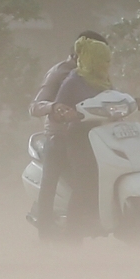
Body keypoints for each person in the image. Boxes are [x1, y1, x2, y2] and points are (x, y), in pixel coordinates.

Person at [28, 30, 106, 240]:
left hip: (90, 135)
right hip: (60, 136)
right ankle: (45, 234)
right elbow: (35, 106)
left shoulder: (95, 74)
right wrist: (55, 107)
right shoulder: (60, 74)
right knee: (51, 181)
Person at [51, 33, 113, 239]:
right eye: (103, 59)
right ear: (92, 59)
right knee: (85, 178)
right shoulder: (72, 81)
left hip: (102, 134)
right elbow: (59, 109)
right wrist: (65, 113)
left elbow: (113, 99)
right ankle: (73, 231)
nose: (107, 64)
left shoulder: (103, 81)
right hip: (79, 137)